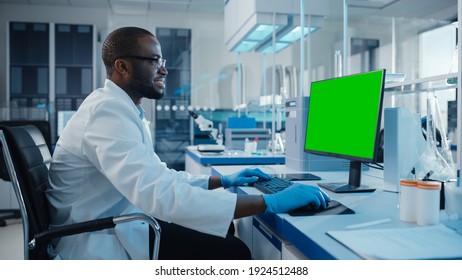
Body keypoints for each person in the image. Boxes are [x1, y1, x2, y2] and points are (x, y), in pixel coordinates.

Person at [46, 26, 331, 260]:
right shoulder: (106, 112)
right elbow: (159, 195)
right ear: (122, 66)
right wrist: (268, 202)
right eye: (154, 60)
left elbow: (161, 178)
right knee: (233, 253)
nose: (164, 70)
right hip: (97, 241)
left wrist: (223, 181)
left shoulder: (121, 108)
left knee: (224, 230)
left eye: (162, 61)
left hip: (123, 223)